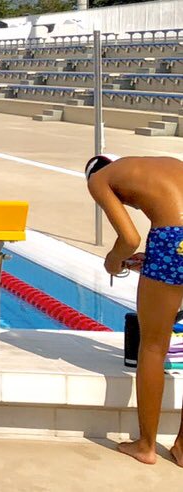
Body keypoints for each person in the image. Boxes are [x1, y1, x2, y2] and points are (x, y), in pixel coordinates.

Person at [87, 154, 183, 466]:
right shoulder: (156, 165)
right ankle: (182, 447)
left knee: (153, 347)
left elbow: (129, 238)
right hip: (173, 241)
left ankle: (146, 445)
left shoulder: (98, 180)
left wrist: (113, 262)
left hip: (172, 240)